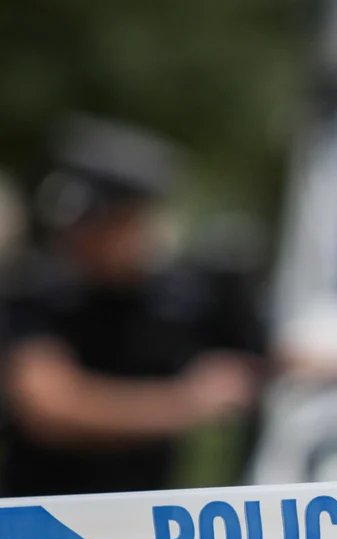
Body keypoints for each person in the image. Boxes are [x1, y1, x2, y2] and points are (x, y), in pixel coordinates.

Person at [0, 116, 263, 498]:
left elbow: (258, 363)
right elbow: (50, 407)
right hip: (46, 516)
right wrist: (184, 402)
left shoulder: (181, 297)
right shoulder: (40, 294)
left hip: (146, 517)